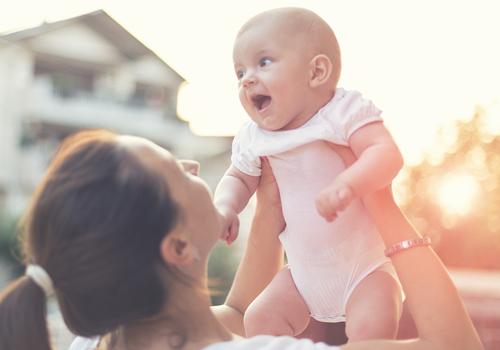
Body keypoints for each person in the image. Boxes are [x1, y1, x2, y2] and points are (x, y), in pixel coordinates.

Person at [0, 130, 482, 350]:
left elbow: (234, 318)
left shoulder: (97, 338)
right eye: (174, 169)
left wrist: (269, 206)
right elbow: (454, 344)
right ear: (179, 249)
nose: (191, 166)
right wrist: (381, 204)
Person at [214, 7, 404, 340]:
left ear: (316, 71)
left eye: (264, 62)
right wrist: (226, 207)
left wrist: (350, 182)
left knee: (372, 328)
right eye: (239, 71)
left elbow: (386, 154)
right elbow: (238, 178)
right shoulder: (255, 137)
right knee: (259, 319)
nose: (247, 78)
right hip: (303, 275)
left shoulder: (341, 112)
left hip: (366, 268)